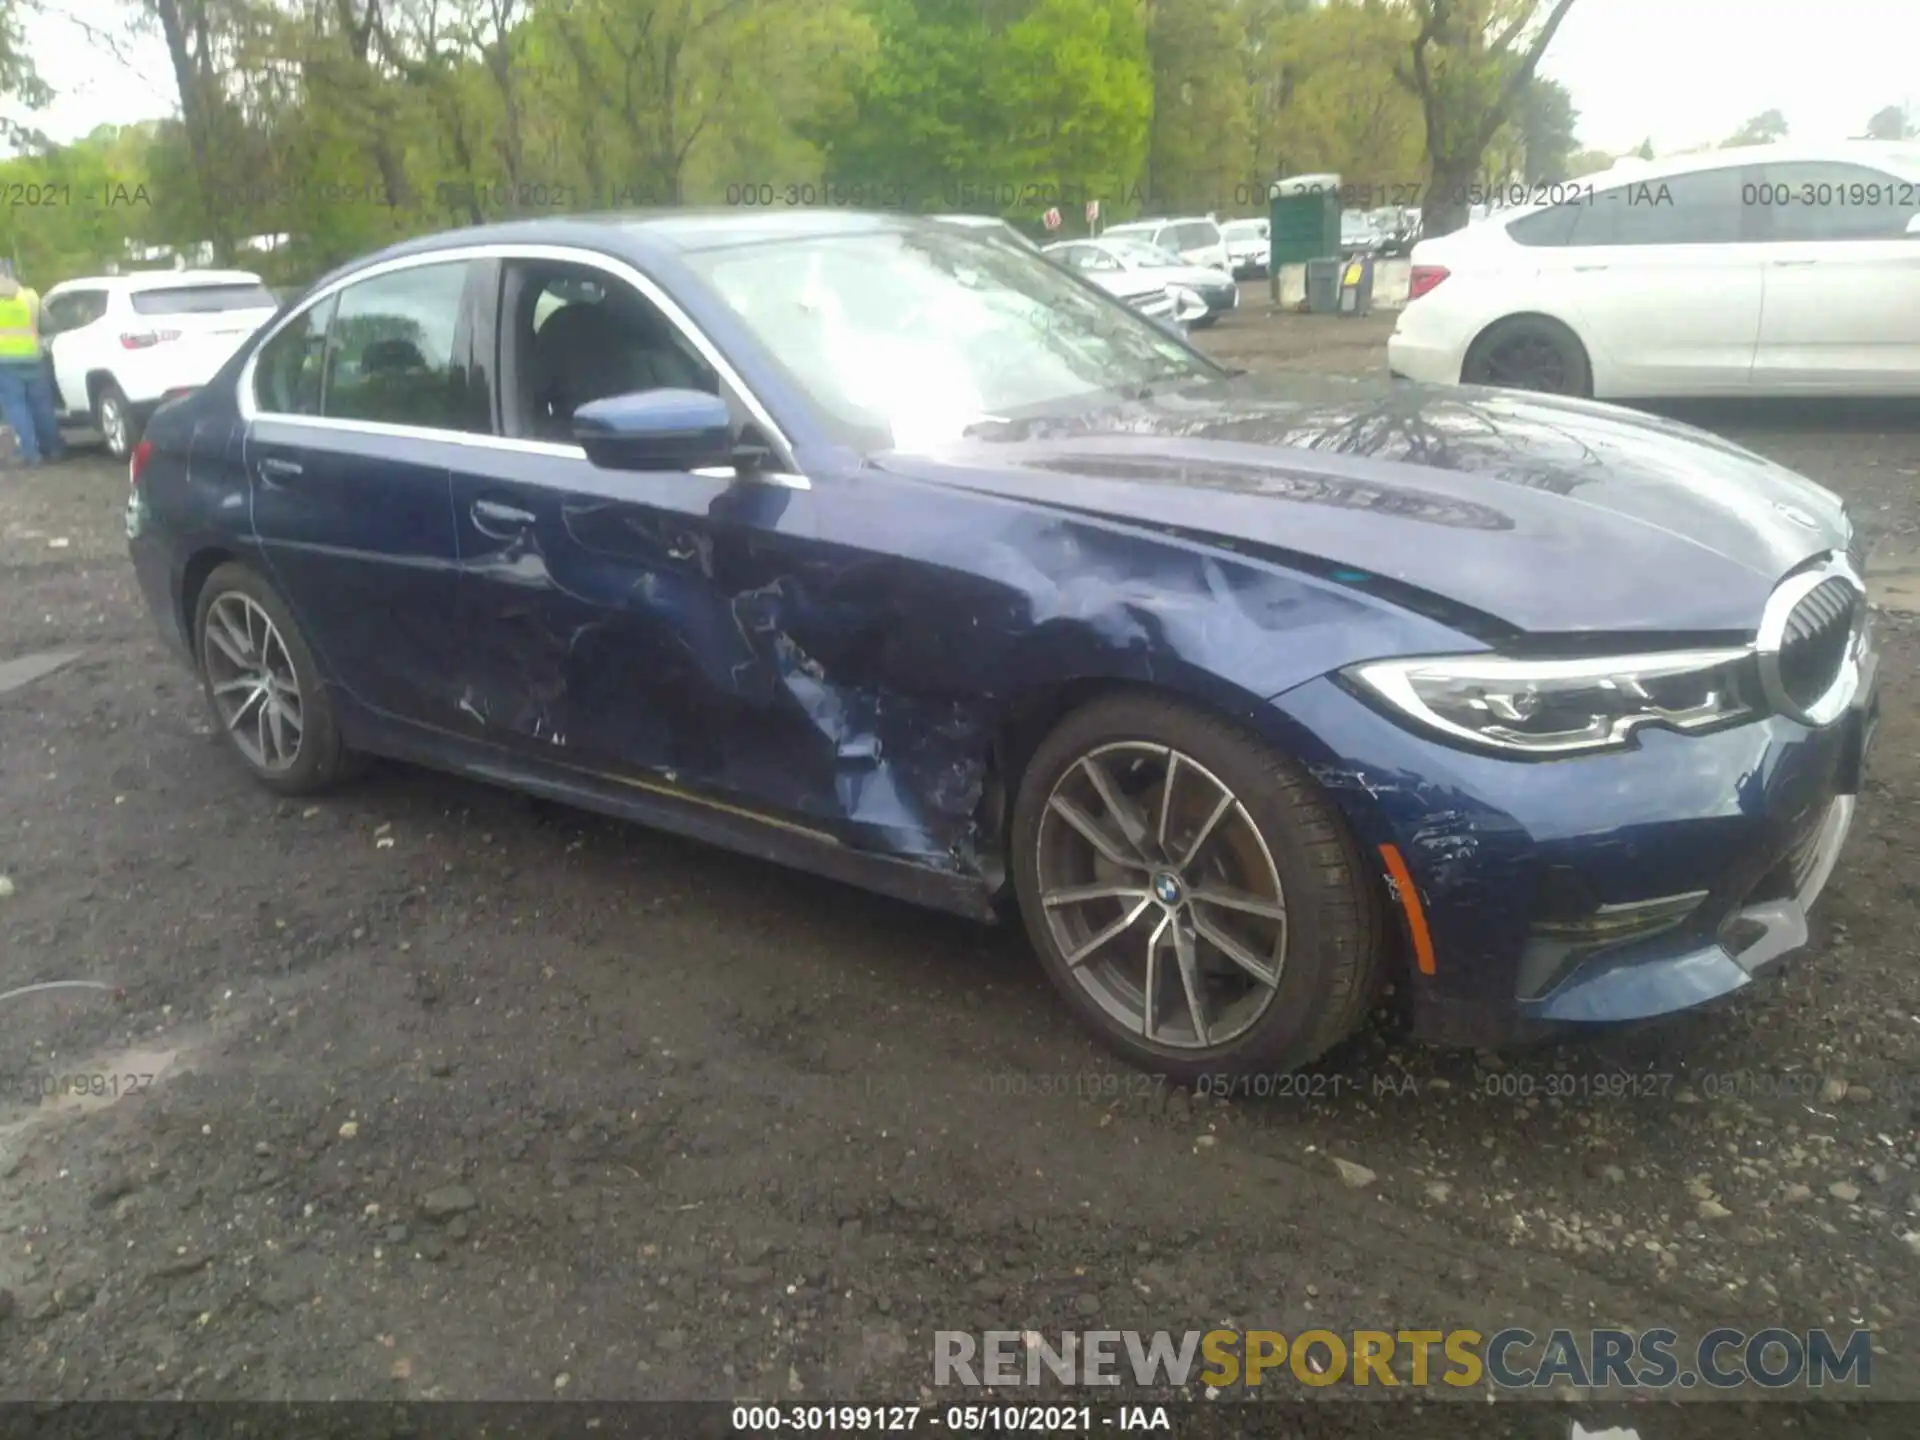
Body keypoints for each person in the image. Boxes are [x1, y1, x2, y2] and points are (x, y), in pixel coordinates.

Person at [0, 265, 66, 466]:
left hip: (6, 362)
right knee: (42, 405)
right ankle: (53, 448)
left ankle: (31, 454)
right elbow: (48, 326)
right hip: (34, 358)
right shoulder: (30, 296)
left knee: (17, 407)